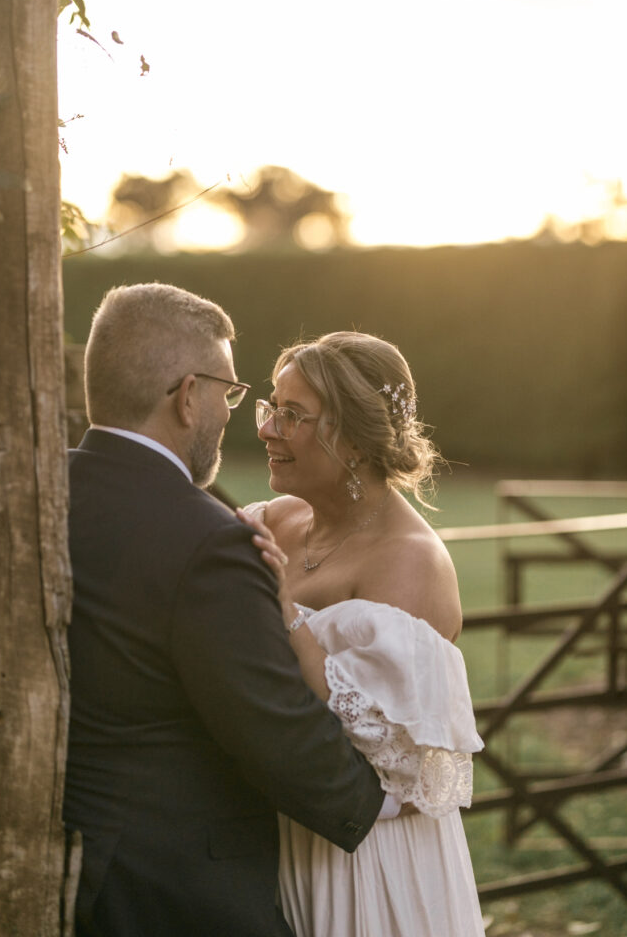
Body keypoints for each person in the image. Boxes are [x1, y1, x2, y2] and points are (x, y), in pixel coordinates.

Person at [64, 285, 391, 937]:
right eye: (230, 392)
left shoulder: (44, 488)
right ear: (188, 396)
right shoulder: (210, 540)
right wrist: (376, 799)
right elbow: (272, 726)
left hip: (73, 863)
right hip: (176, 893)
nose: (233, 414)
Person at [239, 331, 486, 937]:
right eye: (270, 407)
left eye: (291, 415)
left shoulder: (411, 562)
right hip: (277, 844)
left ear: (352, 439)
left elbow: (388, 758)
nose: (266, 429)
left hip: (367, 865)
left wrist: (281, 607)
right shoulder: (274, 521)